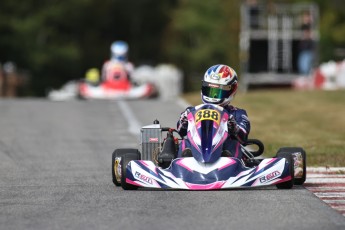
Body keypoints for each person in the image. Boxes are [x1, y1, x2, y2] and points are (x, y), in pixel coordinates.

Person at [176, 64, 251, 160]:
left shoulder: (237, 113)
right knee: (185, 143)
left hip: (225, 156)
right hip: (195, 154)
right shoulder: (192, 111)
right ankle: (186, 159)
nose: (213, 95)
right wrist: (183, 122)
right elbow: (180, 131)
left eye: (218, 91)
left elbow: (243, 138)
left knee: (234, 144)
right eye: (210, 90)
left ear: (232, 89)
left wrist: (234, 128)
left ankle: (228, 159)